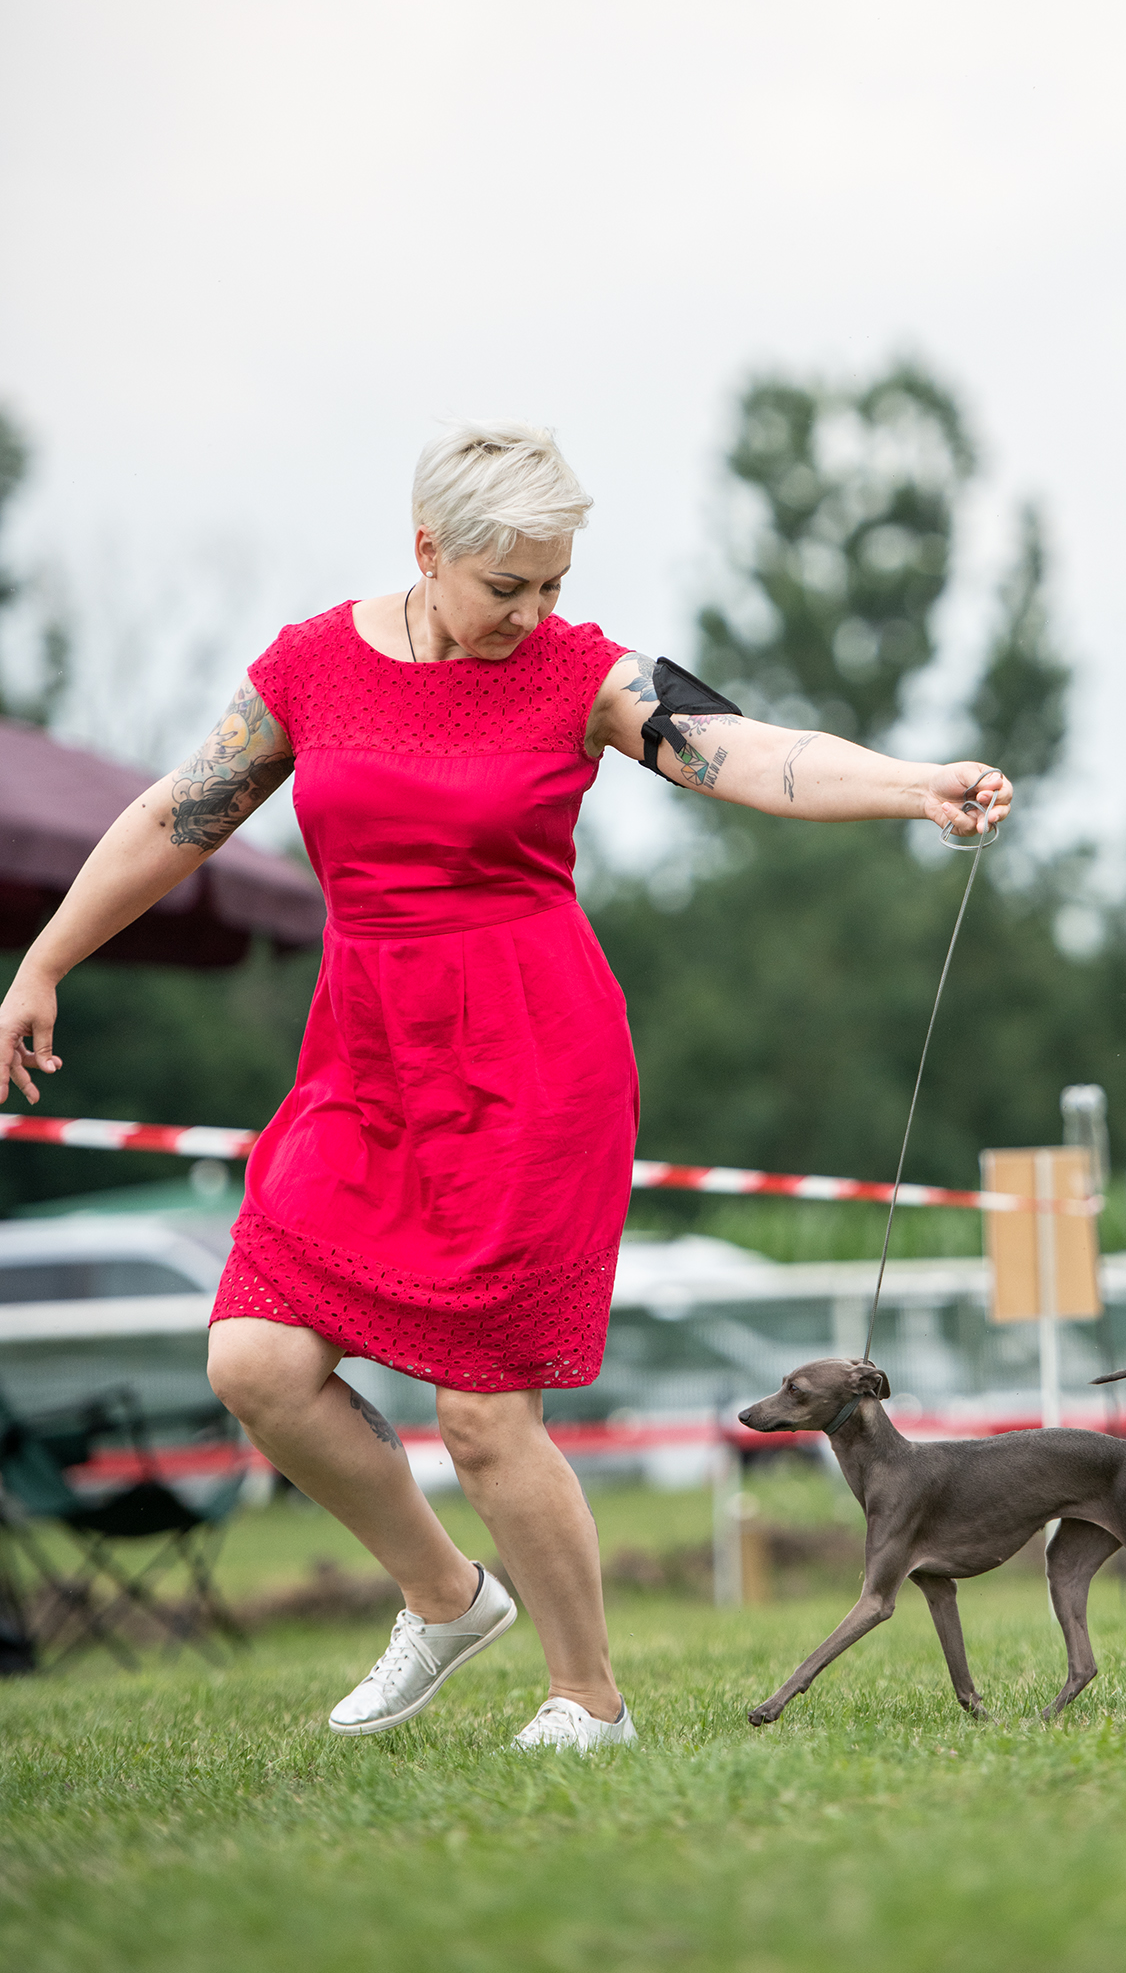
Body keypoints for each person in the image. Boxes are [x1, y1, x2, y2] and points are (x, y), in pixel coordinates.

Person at [0, 421, 1012, 1751]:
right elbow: (176, 813)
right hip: (365, 1061)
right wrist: (45, 960)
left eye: (554, 582)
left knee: (484, 1412)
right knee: (254, 1359)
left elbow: (749, 749)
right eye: (507, 585)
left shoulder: (580, 673)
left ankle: (588, 1695)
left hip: (534, 1064)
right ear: (427, 549)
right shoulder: (311, 667)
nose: (534, 612)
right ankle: (444, 1596)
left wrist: (914, 786)